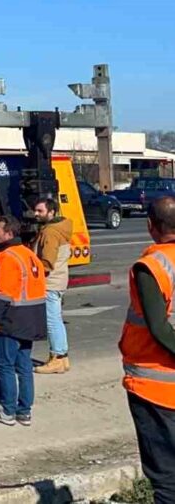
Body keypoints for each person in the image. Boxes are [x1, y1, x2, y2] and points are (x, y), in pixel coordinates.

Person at [120, 196, 175, 502]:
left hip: (155, 386)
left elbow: (158, 328)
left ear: (150, 226)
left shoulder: (151, 266)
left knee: (166, 477)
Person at [0, 215, 47, 426]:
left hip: (12, 318)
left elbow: (3, 294)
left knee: (4, 364)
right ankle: (24, 411)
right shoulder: (28, 254)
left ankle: (8, 411)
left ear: (9, 233)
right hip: (31, 317)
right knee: (24, 366)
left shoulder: (8, 257)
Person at [32, 197, 73, 374]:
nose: (36, 214)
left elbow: (47, 263)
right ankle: (62, 357)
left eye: (40, 211)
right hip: (59, 279)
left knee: (52, 321)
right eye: (36, 210)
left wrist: (31, 270)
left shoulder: (50, 232)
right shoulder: (61, 228)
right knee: (56, 320)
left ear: (52, 212)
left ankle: (57, 358)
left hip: (50, 282)